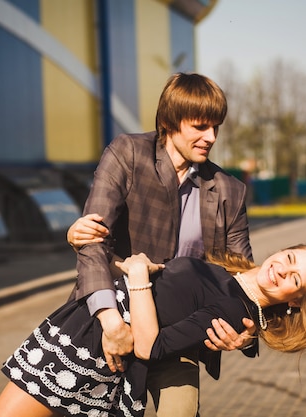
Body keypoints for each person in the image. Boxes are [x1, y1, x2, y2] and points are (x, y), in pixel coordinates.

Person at [0, 243, 306, 417]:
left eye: (294, 279)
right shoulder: (229, 278)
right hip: (84, 327)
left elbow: (150, 346)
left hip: (93, 354)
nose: (282, 268)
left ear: (295, 300)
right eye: (290, 257)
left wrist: (137, 277)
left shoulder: (237, 311)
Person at [65, 72, 255, 416]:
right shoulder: (128, 154)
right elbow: (93, 241)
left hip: (176, 338)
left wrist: (247, 332)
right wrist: (111, 324)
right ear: (169, 121)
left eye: (216, 127)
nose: (210, 137)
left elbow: (242, 278)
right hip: (114, 321)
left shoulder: (230, 190)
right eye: (200, 126)